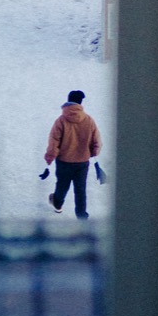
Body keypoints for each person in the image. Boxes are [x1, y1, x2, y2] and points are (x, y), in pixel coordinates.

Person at [45, 91, 102, 220]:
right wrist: (93, 152)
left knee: (62, 185)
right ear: (81, 103)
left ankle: (58, 205)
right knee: (80, 190)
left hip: (64, 161)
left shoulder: (61, 120)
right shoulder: (89, 120)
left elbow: (54, 141)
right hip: (82, 162)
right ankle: (82, 216)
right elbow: (96, 141)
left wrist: (50, 157)